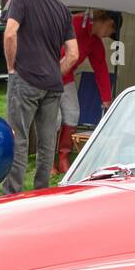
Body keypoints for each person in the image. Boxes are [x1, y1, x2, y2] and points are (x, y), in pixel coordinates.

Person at [2, 0, 76, 193]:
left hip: (25, 79)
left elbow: (10, 33)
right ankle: (42, 193)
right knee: (47, 143)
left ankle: (12, 194)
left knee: (18, 138)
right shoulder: (63, 9)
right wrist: (56, 70)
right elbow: (73, 54)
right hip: (52, 86)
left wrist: (11, 66)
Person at [55, 9, 118, 174]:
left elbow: (101, 69)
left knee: (72, 114)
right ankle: (47, 162)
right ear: (106, 22)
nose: (108, 35)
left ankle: (63, 157)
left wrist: (106, 99)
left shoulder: (95, 43)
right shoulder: (73, 24)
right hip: (48, 76)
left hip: (66, 79)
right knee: (54, 119)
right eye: (111, 30)